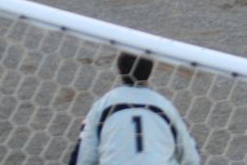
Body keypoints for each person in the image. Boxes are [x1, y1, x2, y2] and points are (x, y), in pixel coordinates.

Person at [67, 52, 200, 165]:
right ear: (150, 71)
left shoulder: (103, 105)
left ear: (120, 71)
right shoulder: (165, 106)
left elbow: (84, 159)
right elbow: (192, 158)